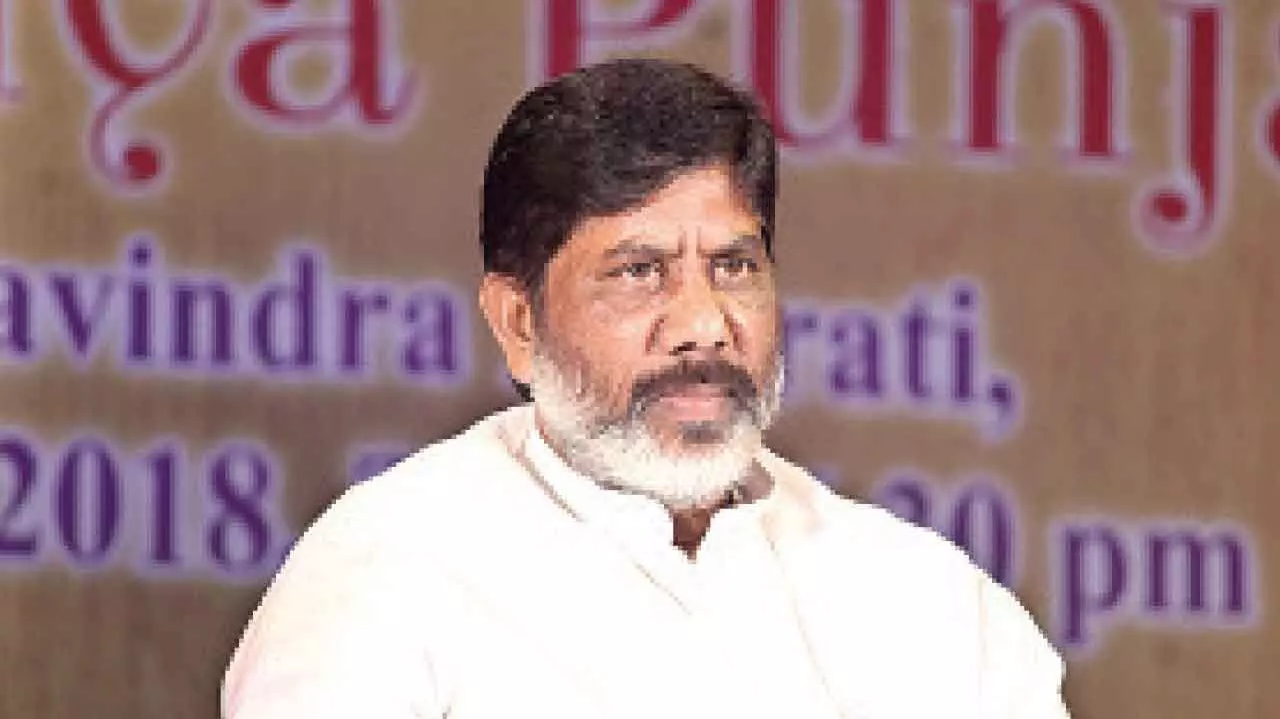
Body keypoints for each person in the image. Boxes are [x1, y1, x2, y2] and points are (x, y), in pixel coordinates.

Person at [221, 57, 1070, 718]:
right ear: (518, 323)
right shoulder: (385, 571)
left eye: (733, 267)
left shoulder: (927, 600)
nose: (704, 324)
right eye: (639, 272)